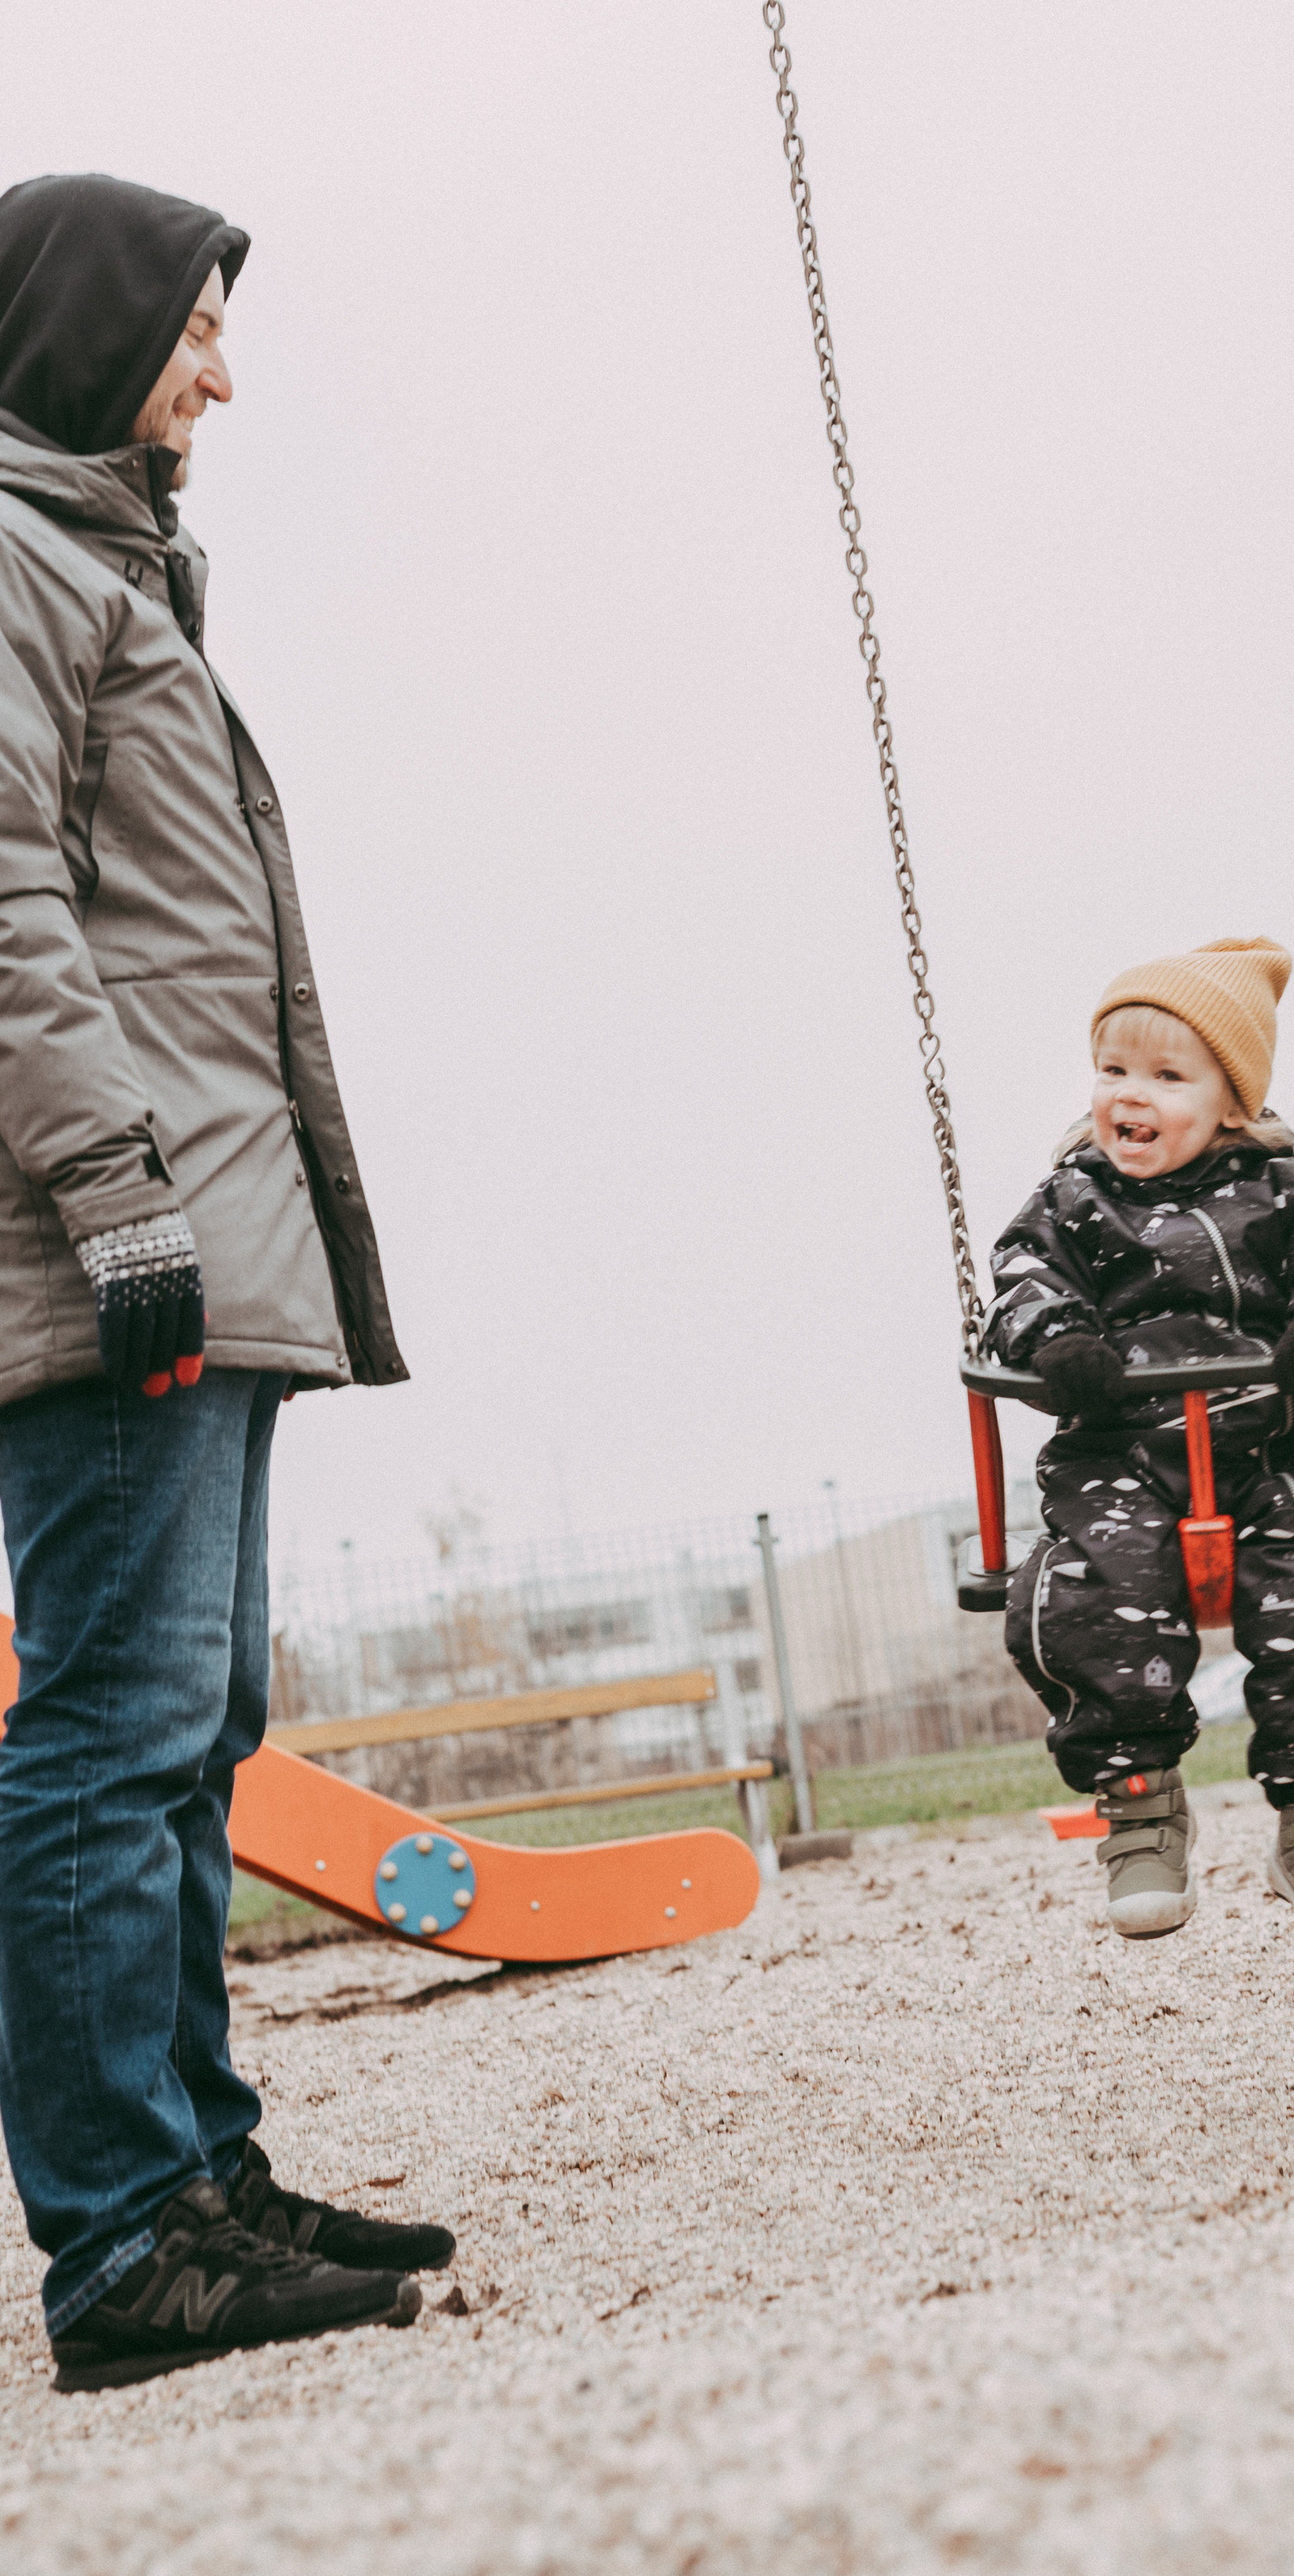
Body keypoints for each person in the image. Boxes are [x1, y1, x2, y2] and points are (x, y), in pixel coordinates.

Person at [0, 175, 446, 2393]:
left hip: (195, 1228)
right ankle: (116, 2246)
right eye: (192, 326)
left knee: (190, 1739)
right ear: (91, 336)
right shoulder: (12, 557)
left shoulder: (105, 561)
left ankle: (194, 2175)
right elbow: (1, 906)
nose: (221, 368)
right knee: (109, 1737)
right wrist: (125, 1196)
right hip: (120, 1244)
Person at [984, 936, 1294, 1957]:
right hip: (1120, 1458)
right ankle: (1138, 1806)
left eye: (1166, 1076)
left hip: (1274, 1455)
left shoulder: (1291, 1190)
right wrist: (1061, 1341)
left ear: (1231, 1102)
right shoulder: (1068, 1204)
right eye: (1113, 1069)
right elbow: (1019, 1282)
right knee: (1087, 1587)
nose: (1129, 1094)